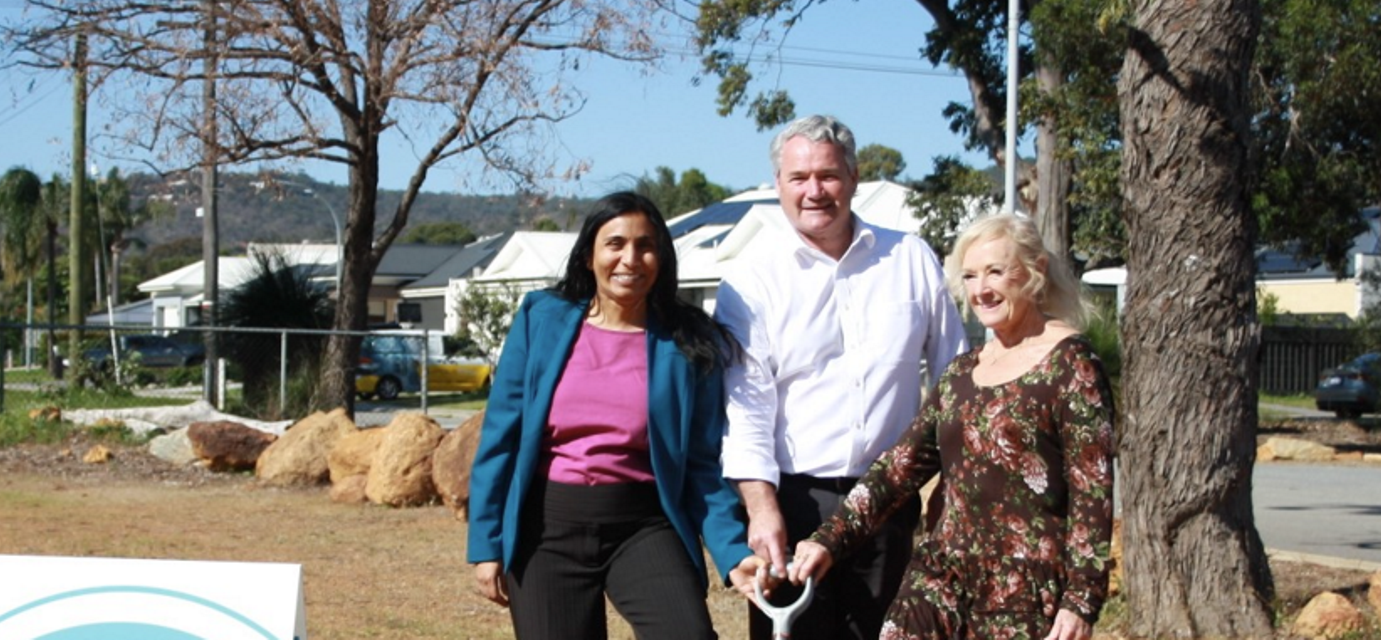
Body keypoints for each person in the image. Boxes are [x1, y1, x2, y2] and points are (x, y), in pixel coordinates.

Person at [760, 213, 1117, 640]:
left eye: (995, 272)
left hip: (1023, 589)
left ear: (1035, 270)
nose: (981, 289)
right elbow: (898, 469)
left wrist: (1080, 601)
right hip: (941, 575)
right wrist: (828, 540)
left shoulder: (1071, 364)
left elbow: (1092, 495)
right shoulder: (963, 372)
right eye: (970, 276)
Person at [716, 114, 969, 640]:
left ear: (853, 178)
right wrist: (761, 510)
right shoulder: (750, 278)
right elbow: (747, 406)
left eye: (828, 175)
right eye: (798, 178)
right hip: (794, 503)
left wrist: (955, 483)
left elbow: (955, 378)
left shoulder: (911, 259)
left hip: (888, 502)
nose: (814, 191)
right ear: (778, 186)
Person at [466, 192, 760, 640]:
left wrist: (732, 550)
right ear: (589, 255)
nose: (631, 258)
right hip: (546, 529)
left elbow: (702, 463)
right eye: (615, 243)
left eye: (646, 245)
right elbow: (500, 437)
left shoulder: (688, 341)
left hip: (643, 526)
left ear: (661, 257)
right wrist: (486, 545)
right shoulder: (542, 318)